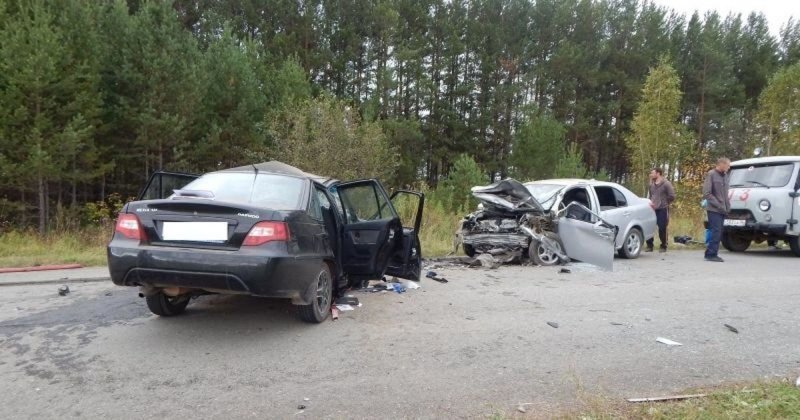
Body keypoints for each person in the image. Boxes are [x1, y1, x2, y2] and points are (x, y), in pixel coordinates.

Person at [702, 157, 731, 262]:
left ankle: (710, 253)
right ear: (721, 164)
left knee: (719, 231)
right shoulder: (711, 174)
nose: (728, 167)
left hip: (723, 209)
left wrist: (728, 207)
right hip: (714, 209)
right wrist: (719, 205)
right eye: (727, 165)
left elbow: (725, 194)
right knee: (716, 231)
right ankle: (711, 254)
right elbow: (707, 193)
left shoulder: (725, 176)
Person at [646, 168, 675, 252]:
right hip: (652, 209)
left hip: (663, 209)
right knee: (650, 227)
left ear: (658, 174)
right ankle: (649, 246)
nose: (651, 175)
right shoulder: (651, 185)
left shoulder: (666, 184)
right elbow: (651, 196)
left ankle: (663, 245)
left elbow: (672, 196)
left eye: (652, 173)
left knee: (662, 228)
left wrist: (665, 203)